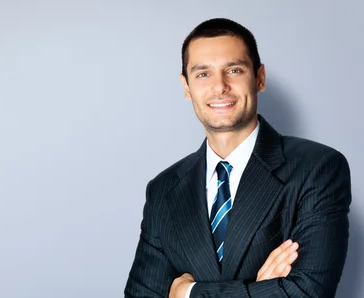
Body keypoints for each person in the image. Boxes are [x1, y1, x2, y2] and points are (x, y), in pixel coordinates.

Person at [124, 18, 351, 298]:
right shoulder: (163, 189)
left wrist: (186, 293)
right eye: (203, 74)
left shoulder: (317, 168)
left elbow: (306, 292)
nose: (219, 87)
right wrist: (259, 290)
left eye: (233, 70)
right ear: (186, 87)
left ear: (259, 78)